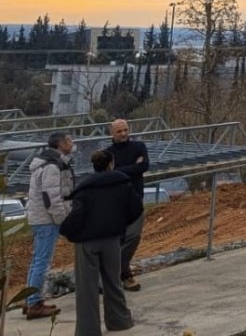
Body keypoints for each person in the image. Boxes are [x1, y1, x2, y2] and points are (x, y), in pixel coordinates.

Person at [61, 150, 142, 336]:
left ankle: (88, 330)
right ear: (111, 164)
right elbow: (136, 208)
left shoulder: (84, 188)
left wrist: (67, 230)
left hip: (87, 243)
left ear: (94, 166)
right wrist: (120, 224)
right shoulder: (122, 183)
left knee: (87, 287)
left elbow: (77, 215)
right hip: (112, 239)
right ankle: (119, 321)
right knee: (113, 281)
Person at [22, 131, 74, 320]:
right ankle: (34, 303)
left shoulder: (45, 162)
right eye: (69, 141)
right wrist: (62, 219)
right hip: (46, 220)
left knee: (37, 260)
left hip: (40, 218)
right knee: (42, 262)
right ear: (61, 144)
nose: (72, 143)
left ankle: (30, 299)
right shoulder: (52, 166)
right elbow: (51, 197)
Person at [104, 118, 150, 292]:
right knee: (118, 239)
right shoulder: (108, 153)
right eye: (119, 131)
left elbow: (144, 166)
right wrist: (132, 168)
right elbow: (108, 173)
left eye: (125, 130)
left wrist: (120, 170)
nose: (123, 134)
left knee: (134, 236)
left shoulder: (139, 147)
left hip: (136, 199)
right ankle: (124, 274)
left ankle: (113, 271)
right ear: (112, 133)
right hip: (116, 202)